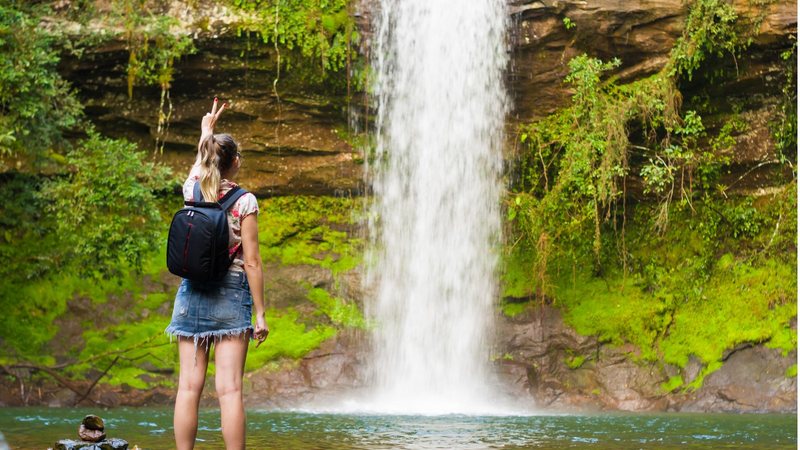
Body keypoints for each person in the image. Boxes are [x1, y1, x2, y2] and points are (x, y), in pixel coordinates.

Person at [165, 97, 269, 450]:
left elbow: (200, 165)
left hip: (191, 293)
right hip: (231, 294)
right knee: (230, 390)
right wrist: (260, 313)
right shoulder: (245, 202)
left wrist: (206, 132)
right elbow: (252, 262)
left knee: (188, 387)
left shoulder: (191, 189)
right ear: (235, 162)